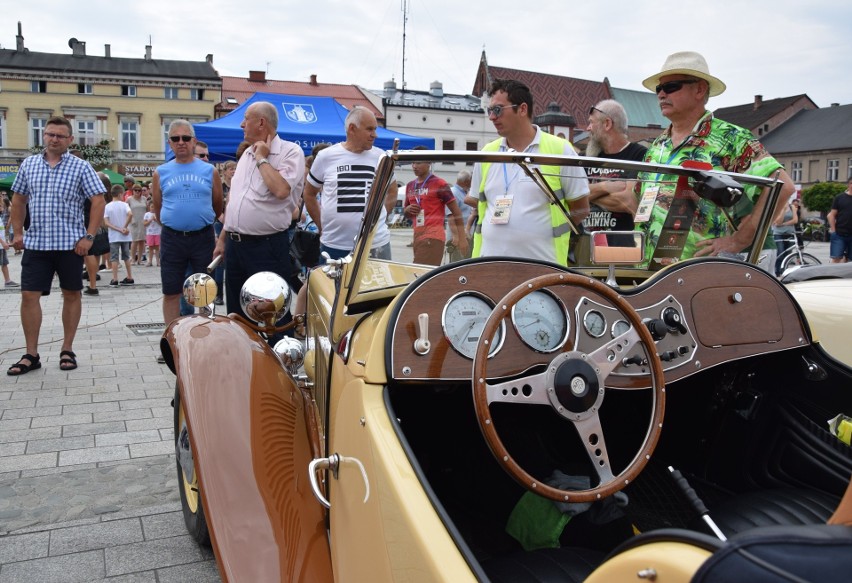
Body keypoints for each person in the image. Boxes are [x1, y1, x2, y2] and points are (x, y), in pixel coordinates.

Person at [636, 51, 795, 265]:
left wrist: (741, 239)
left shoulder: (731, 138)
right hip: (649, 268)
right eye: (659, 89)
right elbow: (637, 197)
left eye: (671, 86)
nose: (662, 94)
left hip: (704, 272)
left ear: (699, 89)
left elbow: (783, 185)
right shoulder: (657, 146)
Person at [7, 116, 106, 375]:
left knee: (71, 293)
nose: (54, 139)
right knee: (29, 295)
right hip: (37, 243)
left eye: (60, 136)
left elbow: (98, 201)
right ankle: (31, 354)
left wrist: (89, 236)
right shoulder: (29, 164)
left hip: (70, 244)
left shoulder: (81, 167)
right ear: (44, 136)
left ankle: (67, 349)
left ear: (70, 139)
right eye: (50, 134)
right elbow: (18, 199)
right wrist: (18, 232)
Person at [471, 79, 590, 266]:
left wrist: (534, 235)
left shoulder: (560, 150)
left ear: (522, 109)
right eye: (490, 111)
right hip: (489, 267)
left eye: (498, 110)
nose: (492, 117)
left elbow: (581, 209)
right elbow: (476, 205)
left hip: (542, 268)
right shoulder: (487, 153)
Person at [213, 101, 303, 324]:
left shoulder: (291, 152)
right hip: (236, 246)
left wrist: (263, 158)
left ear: (261, 122)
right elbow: (234, 202)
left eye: (246, 119)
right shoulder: (246, 155)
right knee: (237, 313)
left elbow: (281, 189)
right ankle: (245, 357)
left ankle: (277, 357)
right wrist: (223, 239)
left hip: (267, 247)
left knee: (273, 314)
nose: (242, 124)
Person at [303, 106, 397, 261]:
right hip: (334, 245)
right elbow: (309, 193)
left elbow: (392, 191)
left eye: (375, 129)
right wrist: (322, 226)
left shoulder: (381, 157)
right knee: (331, 286)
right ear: (352, 129)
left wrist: (376, 217)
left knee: (378, 286)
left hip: (375, 243)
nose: (375, 135)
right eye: (370, 129)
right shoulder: (326, 156)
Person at [153, 120, 223, 325]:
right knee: (171, 291)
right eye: (175, 138)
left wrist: (200, 220)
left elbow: (217, 206)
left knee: (204, 291)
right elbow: (158, 208)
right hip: (172, 238)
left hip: (202, 237)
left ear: (194, 141)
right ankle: (172, 343)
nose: (181, 142)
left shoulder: (210, 171)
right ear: (170, 143)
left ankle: (205, 338)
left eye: (186, 138)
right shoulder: (161, 172)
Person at [584, 100, 648, 232]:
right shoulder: (585, 158)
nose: (588, 128)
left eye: (591, 122)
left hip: (623, 244)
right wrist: (605, 186)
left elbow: (628, 201)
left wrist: (589, 195)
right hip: (586, 243)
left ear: (607, 124)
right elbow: (570, 196)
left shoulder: (639, 155)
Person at [403, 147, 467, 266]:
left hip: (433, 237)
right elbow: (406, 213)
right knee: (425, 275)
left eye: (418, 162)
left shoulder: (439, 183)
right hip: (417, 237)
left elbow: (456, 211)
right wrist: (407, 210)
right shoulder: (410, 185)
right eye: (412, 162)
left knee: (418, 273)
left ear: (428, 163)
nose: (414, 166)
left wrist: (462, 238)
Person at [102, 184, 135, 287]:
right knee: (126, 256)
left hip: (114, 236)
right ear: (120, 194)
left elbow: (106, 223)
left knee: (114, 257)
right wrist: (124, 227)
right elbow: (130, 214)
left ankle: (115, 278)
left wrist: (118, 229)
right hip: (125, 235)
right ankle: (130, 276)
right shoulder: (124, 205)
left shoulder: (107, 206)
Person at [446, 169, 475, 262]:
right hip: (458, 238)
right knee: (457, 264)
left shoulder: (465, 193)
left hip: (466, 236)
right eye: (472, 180)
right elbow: (451, 217)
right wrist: (456, 237)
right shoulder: (453, 192)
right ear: (467, 181)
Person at [771, 198, 800, 275]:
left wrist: (783, 224)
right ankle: (777, 271)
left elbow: (795, 220)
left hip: (790, 233)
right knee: (780, 253)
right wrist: (783, 210)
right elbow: (777, 222)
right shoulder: (777, 207)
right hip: (778, 234)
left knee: (788, 255)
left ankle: (784, 271)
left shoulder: (792, 207)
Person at [827, 178, 852, 263]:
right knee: (836, 258)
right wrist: (834, 231)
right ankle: (832, 276)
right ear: (848, 185)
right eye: (851, 183)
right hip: (839, 234)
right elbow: (831, 215)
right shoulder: (840, 198)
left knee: (850, 261)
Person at [127, 184, 147, 264]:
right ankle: (132, 259)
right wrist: (130, 219)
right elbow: (126, 211)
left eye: (139, 190)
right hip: (133, 221)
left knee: (142, 241)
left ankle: (139, 259)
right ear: (133, 191)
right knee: (134, 240)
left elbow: (147, 210)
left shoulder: (144, 199)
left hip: (142, 221)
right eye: (136, 190)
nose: (137, 192)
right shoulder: (129, 199)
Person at [143, 199, 161, 267]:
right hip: (150, 233)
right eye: (151, 206)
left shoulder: (158, 214)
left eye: (154, 206)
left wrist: (156, 220)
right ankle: (149, 261)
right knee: (150, 248)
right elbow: (144, 224)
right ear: (149, 207)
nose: (153, 208)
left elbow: (161, 223)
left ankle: (158, 262)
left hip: (157, 233)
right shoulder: (146, 214)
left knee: (157, 248)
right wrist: (150, 220)